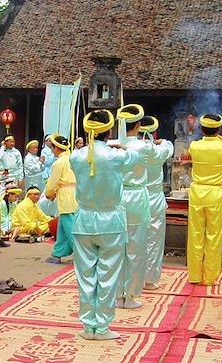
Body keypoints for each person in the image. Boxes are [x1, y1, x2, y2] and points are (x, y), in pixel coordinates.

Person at [70, 110, 144, 340]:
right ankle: (101, 326)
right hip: (110, 220)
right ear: (109, 131)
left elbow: (84, 155)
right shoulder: (116, 156)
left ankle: (87, 325)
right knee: (108, 275)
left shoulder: (76, 157)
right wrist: (120, 146)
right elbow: (137, 157)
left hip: (83, 220)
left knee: (85, 276)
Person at [186, 113, 222, 285]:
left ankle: (194, 276)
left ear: (201, 129)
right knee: (214, 237)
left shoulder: (195, 146)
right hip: (216, 194)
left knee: (195, 235)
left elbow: (191, 149)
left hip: (198, 193)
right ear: (219, 129)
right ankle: (209, 278)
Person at [115, 104, 153, 308]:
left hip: (119, 196)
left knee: (117, 248)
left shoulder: (113, 145)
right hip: (137, 196)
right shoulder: (145, 146)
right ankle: (129, 295)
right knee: (135, 248)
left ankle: (116, 294)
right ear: (139, 124)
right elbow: (161, 153)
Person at [139, 115, 174, 290]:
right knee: (154, 239)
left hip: (134, 196)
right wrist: (162, 141)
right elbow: (170, 146)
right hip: (153, 197)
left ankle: (130, 278)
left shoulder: (129, 148)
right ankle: (149, 279)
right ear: (155, 132)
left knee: (131, 238)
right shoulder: (158, 150)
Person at [45, 134, 77, 264]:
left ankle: (83, 254)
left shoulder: (59, 163)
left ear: (56, 148)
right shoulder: (74, 159)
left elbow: (53, 183)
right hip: (76, 194)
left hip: (65, 196)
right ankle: (57, 253)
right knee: (63, 227)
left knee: (70, 228)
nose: (52, 150)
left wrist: (49, 193)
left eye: (52, 147)